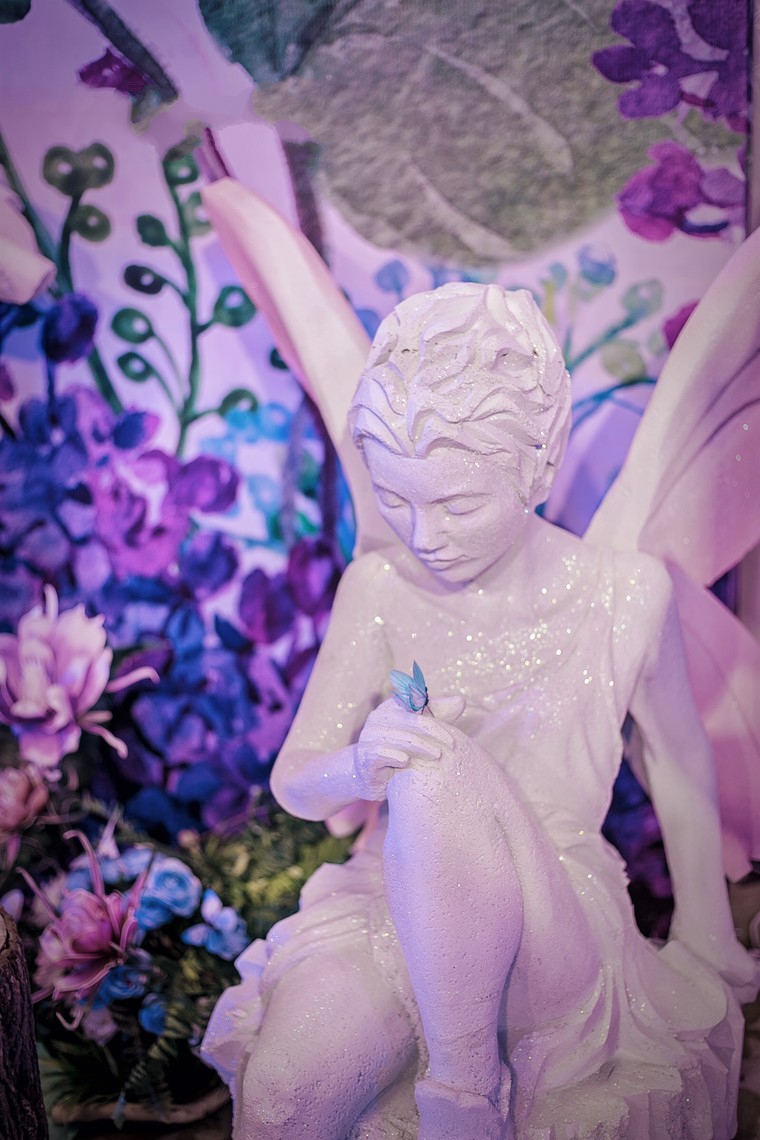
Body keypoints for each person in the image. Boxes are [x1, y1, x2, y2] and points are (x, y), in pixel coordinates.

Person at [202, 282, 757, 1140]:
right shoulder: (378, 587)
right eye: (395, 501)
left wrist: (706, 936)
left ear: (537, 466)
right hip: (388, 901)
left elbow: (682, 766)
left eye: (457, 504)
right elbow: (296, 782)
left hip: (549, 917)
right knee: (283, 1096)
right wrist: (361, 764)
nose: (424, 536)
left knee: (436, 772)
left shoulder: (623, 595)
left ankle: (465, 1091)